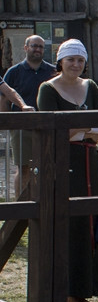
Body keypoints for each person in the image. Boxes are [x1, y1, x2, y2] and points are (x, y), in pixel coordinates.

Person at [36, 40, 98, 302]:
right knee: (71, 223)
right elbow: (52, 128)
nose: (76, 65)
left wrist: (80, 130)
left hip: (89, 159)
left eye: (80, 60)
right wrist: (82, 130)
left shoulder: (91, 87)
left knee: (95, 218)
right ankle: (67, 288)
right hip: (63, 162)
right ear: (60, 62)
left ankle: (91, 285)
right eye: (71, 60)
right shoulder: (48, 89)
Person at [2, 35, 54, 195]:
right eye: (34, 46)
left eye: (40, 46)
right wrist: (6, 122)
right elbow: (5, 97)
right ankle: (21, 209)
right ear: (26, 48)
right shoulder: (13, 72)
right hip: (21, 128)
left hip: (48, 126)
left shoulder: (53, 71)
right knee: (24, 168)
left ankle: (44, 203)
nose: (37, 49)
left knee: (47, 167)